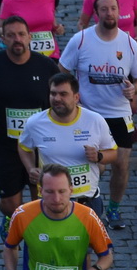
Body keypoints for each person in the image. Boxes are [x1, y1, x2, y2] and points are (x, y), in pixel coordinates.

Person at [60, 0, 137, 229]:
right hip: (88, 114)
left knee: (121, 164)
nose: (110, 13)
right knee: (94, 164)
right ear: (96, 13)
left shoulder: (128, 43)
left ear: (119, 12)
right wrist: (72, 99)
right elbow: (63, 71)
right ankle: (85, 204)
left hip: (119, 115)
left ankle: (114, 208)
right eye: (104, 9)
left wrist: (134, 90)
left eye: (113, 9)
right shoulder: (80, 41)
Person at [0, 17, 57, 219]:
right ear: (3, 38)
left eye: (21, 34)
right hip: (6, 144)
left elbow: (61, 96)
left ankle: (33, 235)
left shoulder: (46, 66)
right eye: (11, 35)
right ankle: (11, 219)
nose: (17, 39)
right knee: (11, 203)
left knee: (40, 199)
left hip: (40, 145)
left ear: (29, 37)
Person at [18, 74, 119, 210]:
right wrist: (30, 168)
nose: (57, 99)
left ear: (76, 97)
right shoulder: (35, 123)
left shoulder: (95, 120)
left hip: (87, 201)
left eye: (63, 94)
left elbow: (113, 153)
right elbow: (24, 147)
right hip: (53, 203)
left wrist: (99, 156)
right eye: (53, 94)